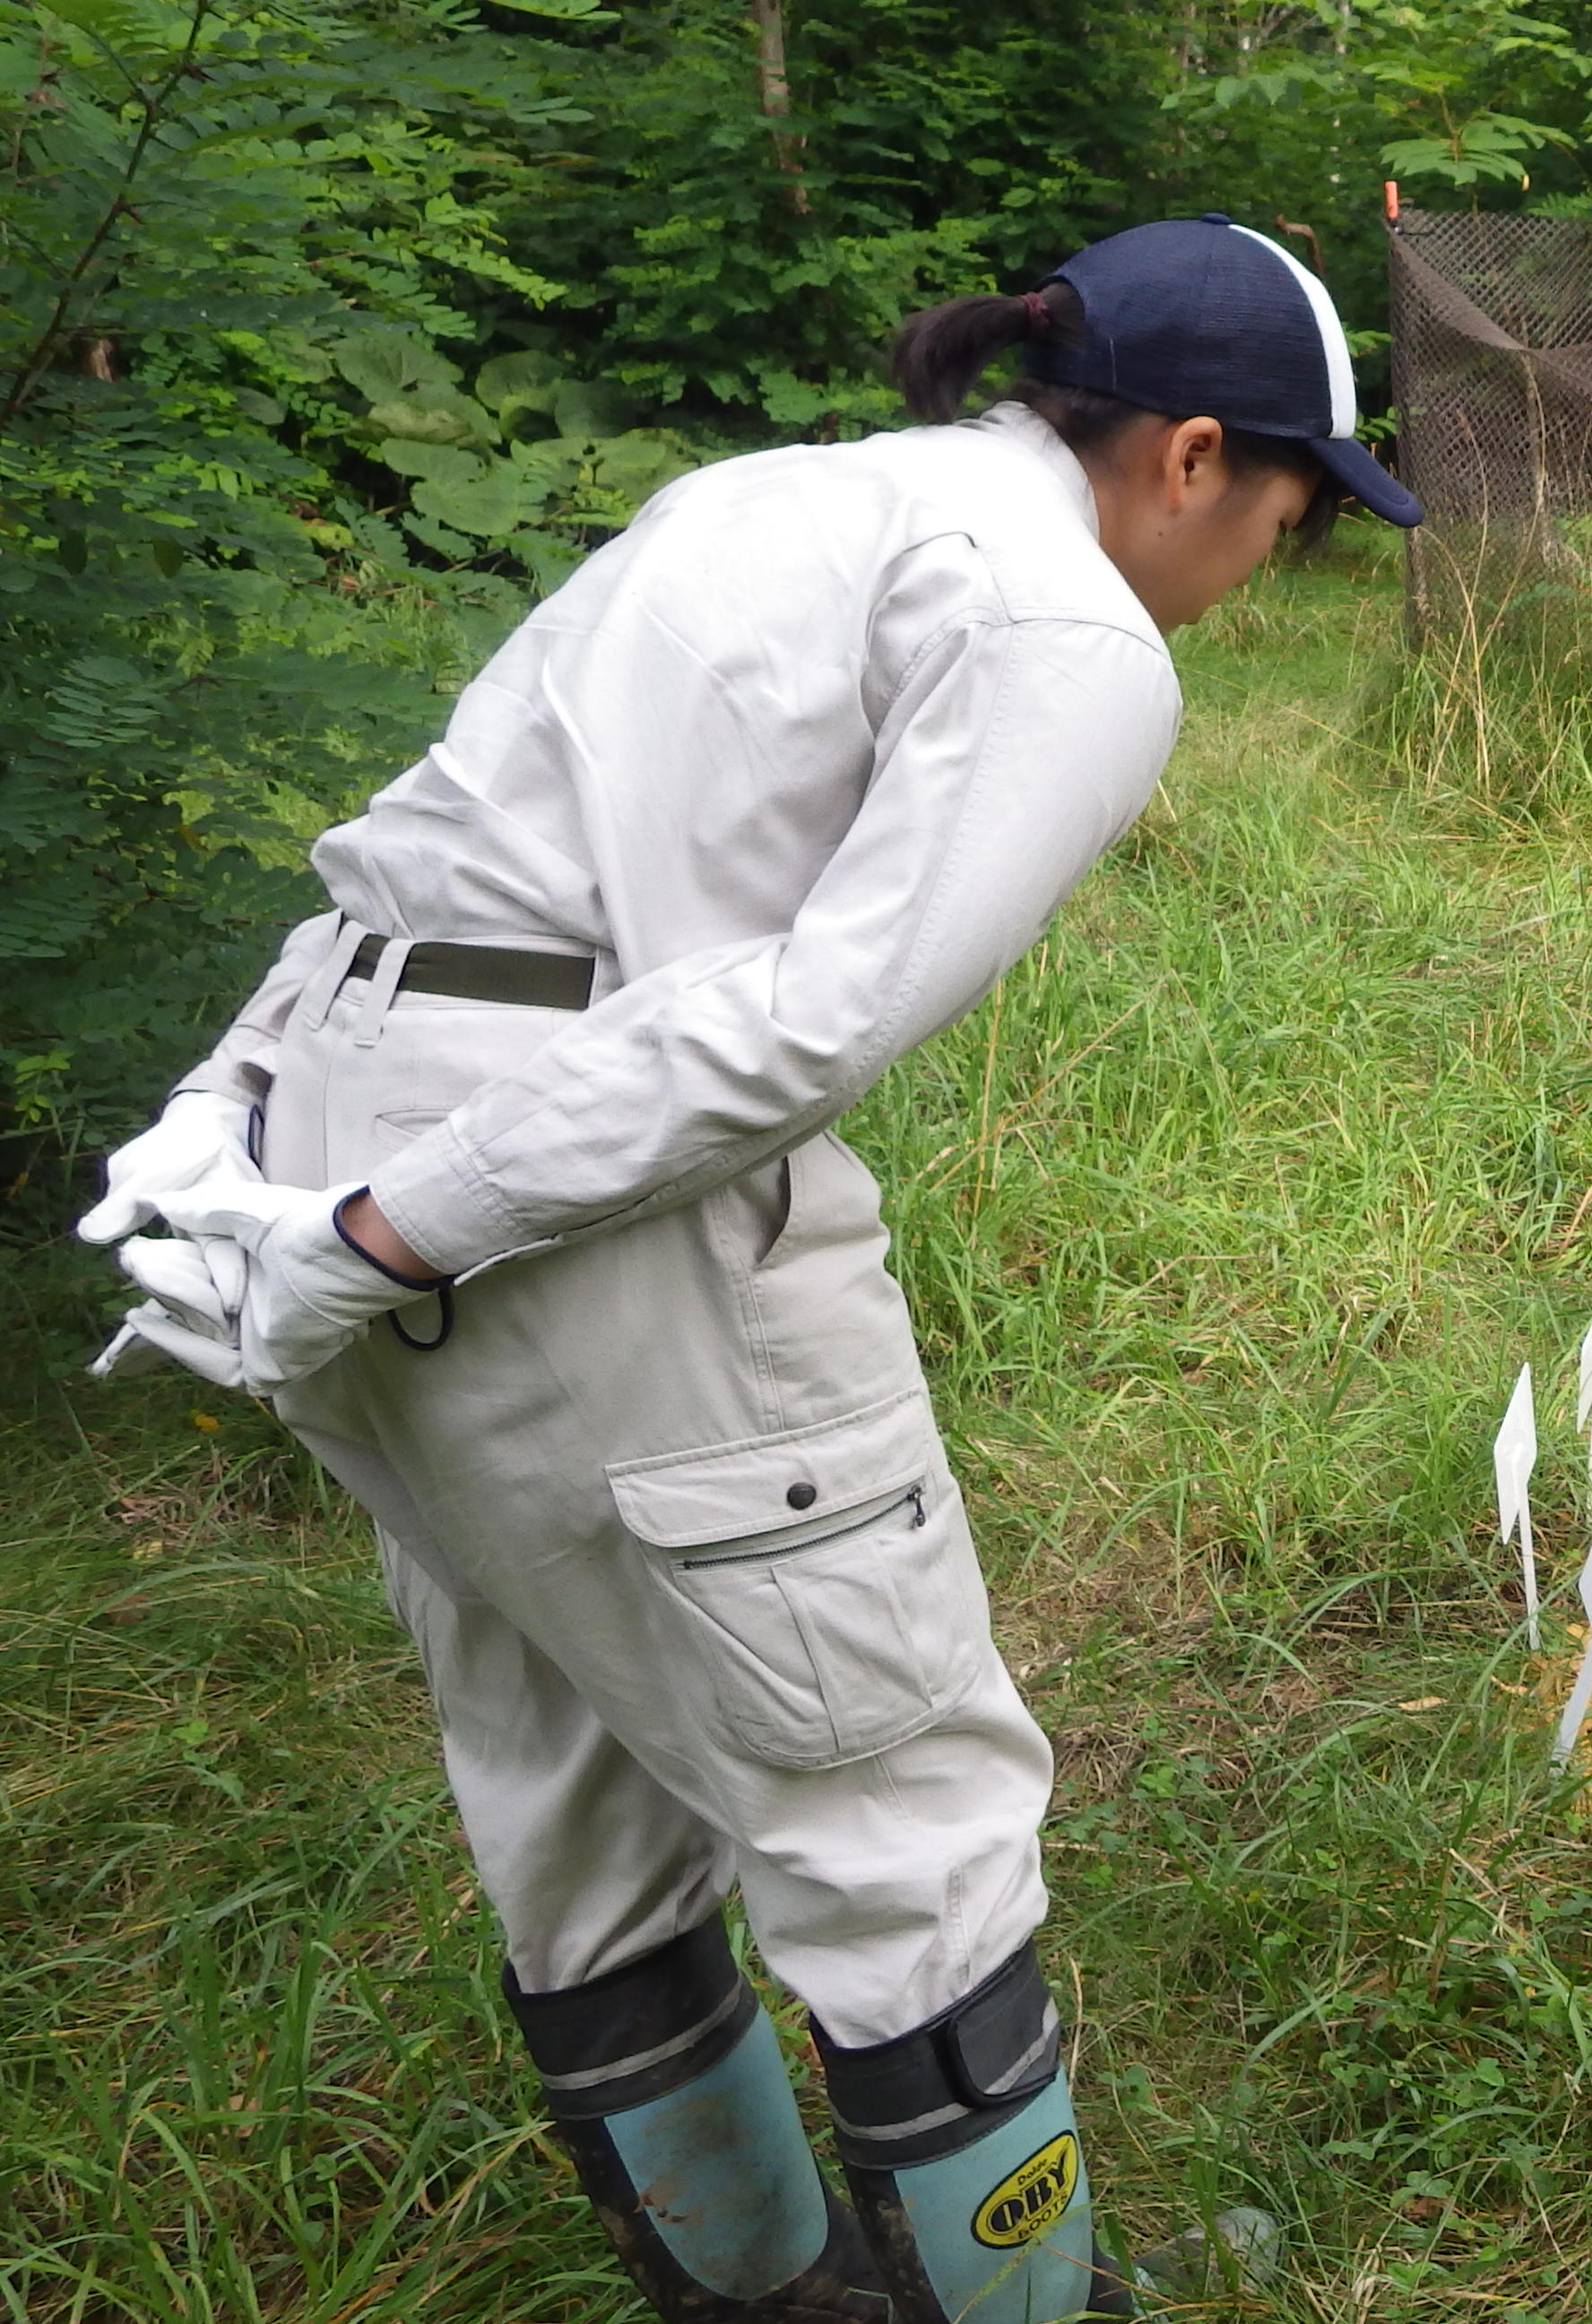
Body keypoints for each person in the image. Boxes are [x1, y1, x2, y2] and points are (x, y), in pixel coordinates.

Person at [75, 214, 1420, 2323]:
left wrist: (234, 1124)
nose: (1272, 569)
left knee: (569, 1774)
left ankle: (774, 2298)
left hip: (336, 1100)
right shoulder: (1064, 619)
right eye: (1292, 516)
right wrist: (384, 1234)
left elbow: (419, 854)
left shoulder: (770, 498)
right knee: (904, 1816)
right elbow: (805, 1021)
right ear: (1186, 455)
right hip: (563, 1216)